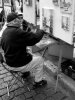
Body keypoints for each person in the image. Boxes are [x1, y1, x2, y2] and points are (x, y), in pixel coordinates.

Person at [1, 12, 47, 88]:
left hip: (9, 61)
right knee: (40, 59)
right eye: (19, 19)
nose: (21, 21)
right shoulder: (17, 32)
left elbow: (6, 46)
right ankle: (38, 82)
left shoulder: (5, 31)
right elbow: (34, 39)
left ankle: (25, 73)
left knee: (27, 51)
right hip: (16, 64)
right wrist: (42, 30)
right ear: (14, 21)